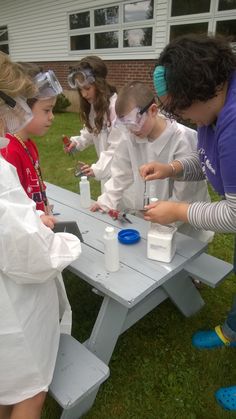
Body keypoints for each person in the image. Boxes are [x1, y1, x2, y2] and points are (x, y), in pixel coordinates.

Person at [139, 34, 236, 410]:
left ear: (202, 90)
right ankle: (232, 330)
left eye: (180, 110)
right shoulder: (213, 110)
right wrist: (173, 167)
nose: (181, 118)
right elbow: (206, 160)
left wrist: (178, 211)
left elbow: (233, 212)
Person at [0, 51, 81, 419]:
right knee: (30, 391)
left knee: (6, 387)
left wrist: (35, 216)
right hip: (13, 306)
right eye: (18, 104)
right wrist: (68, 243)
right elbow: (30, 255)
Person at [91, 81, 213, 243]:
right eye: (126, 126)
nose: (131, 131)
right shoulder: (130, 135)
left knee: (187, 257)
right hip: (153, 218)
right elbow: (121, 173)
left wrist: (165, 219)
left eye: (134, 124)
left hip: (185, 221)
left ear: (153, 110)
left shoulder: (182, 139)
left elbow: (184, 193)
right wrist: (106, 201)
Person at [1, 63, 62, 229]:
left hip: (40, 225)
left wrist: (44, 207)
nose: (52, 117)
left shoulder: (29, 145)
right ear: (22, 108)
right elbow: (12, 208)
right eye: (47, 110)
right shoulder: (9, 152)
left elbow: (35, 183)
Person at [65, 56, 125, 191]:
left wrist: (96, 169)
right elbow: (92, 130)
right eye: (80, 90)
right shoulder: (96, 106)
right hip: (107, 174)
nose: (84, 94)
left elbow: (117, 149)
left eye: (87, 88)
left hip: (124, 178)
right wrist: (77, 142)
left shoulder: (116, 108)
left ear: (99, 83)